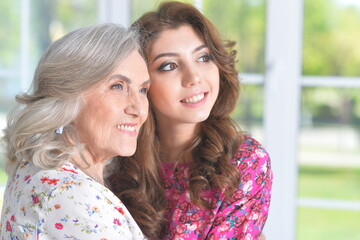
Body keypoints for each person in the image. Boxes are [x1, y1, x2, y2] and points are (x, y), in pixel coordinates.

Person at [108, 1, 273, 240]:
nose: (193, 77)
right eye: (169, 66)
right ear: (142, 83)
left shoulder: (244, 162)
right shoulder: (116, 160)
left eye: (203, 58)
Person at [0, 23, 158, 239]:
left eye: (143, 90)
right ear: (69, 95)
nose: (139, 109)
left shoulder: (35, 166)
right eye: (118, 86)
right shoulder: (74, 195)